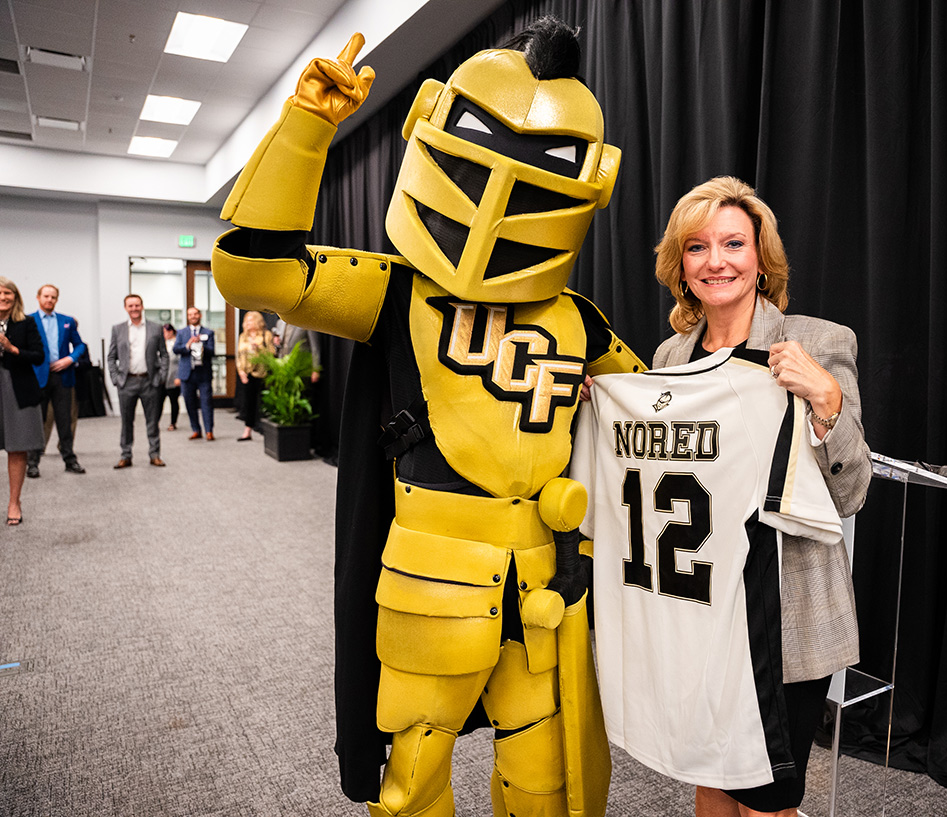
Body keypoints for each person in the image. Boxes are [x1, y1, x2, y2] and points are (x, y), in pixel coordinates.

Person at [210, 21, 640, 816]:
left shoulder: (581, 323)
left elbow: (666, 414)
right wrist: (306, 128)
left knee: (551, 782)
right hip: (428, 586)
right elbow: (254, 269)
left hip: (544, 588)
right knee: (413, 781)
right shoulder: (395, 291)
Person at [650, 177, 871, 817]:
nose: (715, 261)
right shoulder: (670, 356)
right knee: (711, 774)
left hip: (787, 612)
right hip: (702, 608)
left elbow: (852, 490)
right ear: (680, 264)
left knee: (770, 798)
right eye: (697, 247)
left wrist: (826, 403)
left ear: (760, 257)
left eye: (733, 243)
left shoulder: (821, 343)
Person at [27, 284, 87, 477]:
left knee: (65, 420)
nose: (49, 300)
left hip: (62, 376)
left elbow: (80, 345)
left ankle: (70, 459)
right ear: (38, 297)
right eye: (46, 296)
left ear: (57, 299)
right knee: (38, 421)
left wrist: (69, 359)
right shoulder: (28, 321)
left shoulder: (67, 321)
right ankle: (32, 463)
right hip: (37, 378)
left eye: (53, 297)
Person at [0, 277, 46, 525]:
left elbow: (39, 356)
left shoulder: (25, 323)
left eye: (9, 293)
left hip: (16, 388)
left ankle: (14, 502)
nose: (4, 297)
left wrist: (12, 347)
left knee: (17, 447)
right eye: (0, 293)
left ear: (15, 298)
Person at [107, 294, 169, 468]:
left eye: (137, 305)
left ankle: (155, 454)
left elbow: (164, 354)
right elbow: (111, 357)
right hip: (127, 382)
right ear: (126, 308)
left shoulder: (155, 328)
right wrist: (116, 378)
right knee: (126, 421)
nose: (134, 308)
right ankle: (126, 455)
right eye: (130, 306)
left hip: (150, 381)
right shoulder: (118, 329)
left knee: (152, 421)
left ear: (142, 306)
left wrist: (161, 376)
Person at [174, 306, 216, 440]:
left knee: (206, 403)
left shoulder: (208, 333)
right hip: (187, 374)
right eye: (190, 314)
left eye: (195, 314)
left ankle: (209, 431)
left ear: (200, 315)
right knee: (189, 403)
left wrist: (201, 345)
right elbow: (176, 349)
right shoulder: (181, 333)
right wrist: (188, 345)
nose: (193, 316)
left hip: (203, 373)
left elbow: (212, 352)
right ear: (187, 317)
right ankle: (196, 429)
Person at [234, 310, 274, 441]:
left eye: (251, 320)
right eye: (246, 321)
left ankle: (264, 428)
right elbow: (239, 356)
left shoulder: (266, 335)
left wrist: (259, 348)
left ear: (257, 321)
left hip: (263, 374)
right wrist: (241, 372)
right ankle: (247, 430)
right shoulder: (242, 337)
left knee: (263, 402)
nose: (248, 323)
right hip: (247, 374)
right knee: (248, 403)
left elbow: (272, 354)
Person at [162, 324, 181, 431]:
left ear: (171, 332)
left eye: (164, 332)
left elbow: (181, 362)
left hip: (174, 377)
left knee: (173, 401)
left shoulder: (177, 343)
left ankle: (173, 422)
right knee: (159, 401)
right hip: (163, 378)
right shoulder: (162, 344)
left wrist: (179, 377)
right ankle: (155, 422)